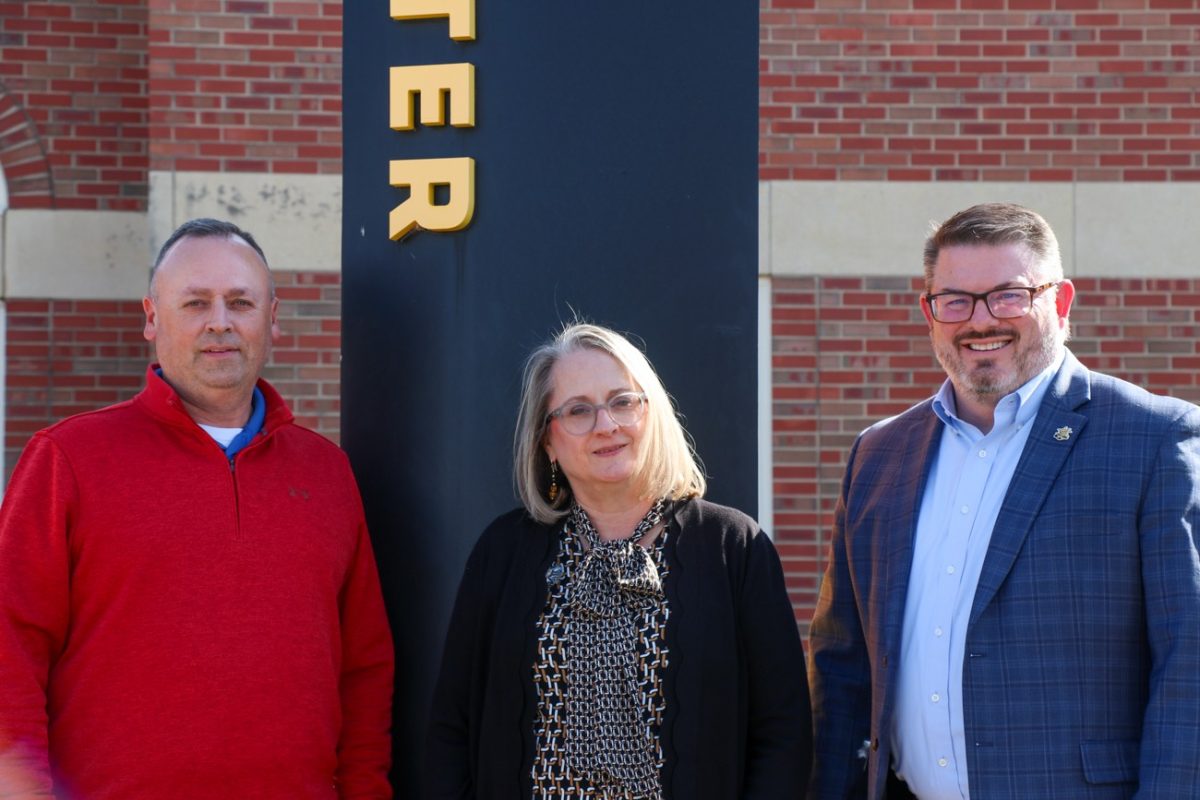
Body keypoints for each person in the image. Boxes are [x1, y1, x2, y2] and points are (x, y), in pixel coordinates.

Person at [807, 202, 1200, 799]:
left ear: (1061, 302)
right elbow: (842, 664)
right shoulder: (879, 455)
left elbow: (1189, 663)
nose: (980, 320)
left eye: (1009, 295)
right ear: (930, 313)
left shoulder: (1153, 439)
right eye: (956, 300)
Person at [0, 219, 395, 798]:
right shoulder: (67, 459)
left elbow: (363, 670)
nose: (220, 321)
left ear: (273, 317)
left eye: (241, 302)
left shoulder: (326, 473)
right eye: (195, 302)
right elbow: (10, 644)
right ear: (152, 316)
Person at [423, 322, 811, 799]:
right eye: (579, 411)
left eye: (622, 401)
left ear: (652, 412)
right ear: (547, 440)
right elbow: (451, 728)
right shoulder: (503, 554)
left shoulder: (734, 547)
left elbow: (783, 733)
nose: (606, 425)